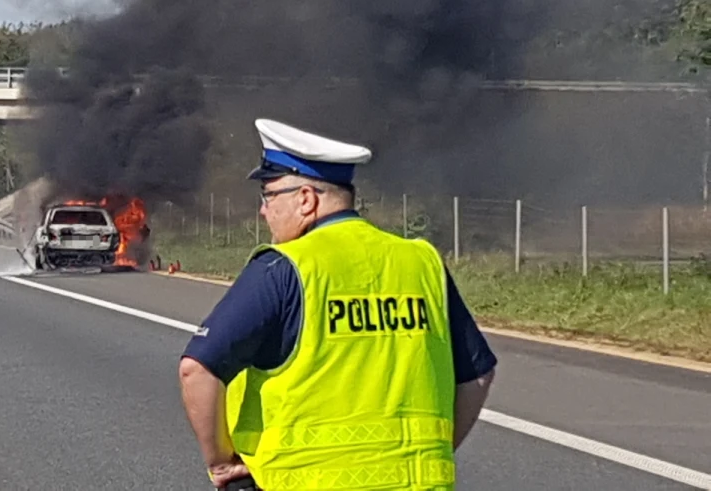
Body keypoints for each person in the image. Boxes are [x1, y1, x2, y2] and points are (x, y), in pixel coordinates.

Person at [178, 119, 498, 491]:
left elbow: (196, 370)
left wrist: (221, 462)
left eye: (268, 196)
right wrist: (430, 455)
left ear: (306, 199)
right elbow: (478, 374)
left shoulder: (284, 268)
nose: (264, 211)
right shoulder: (423, 262)